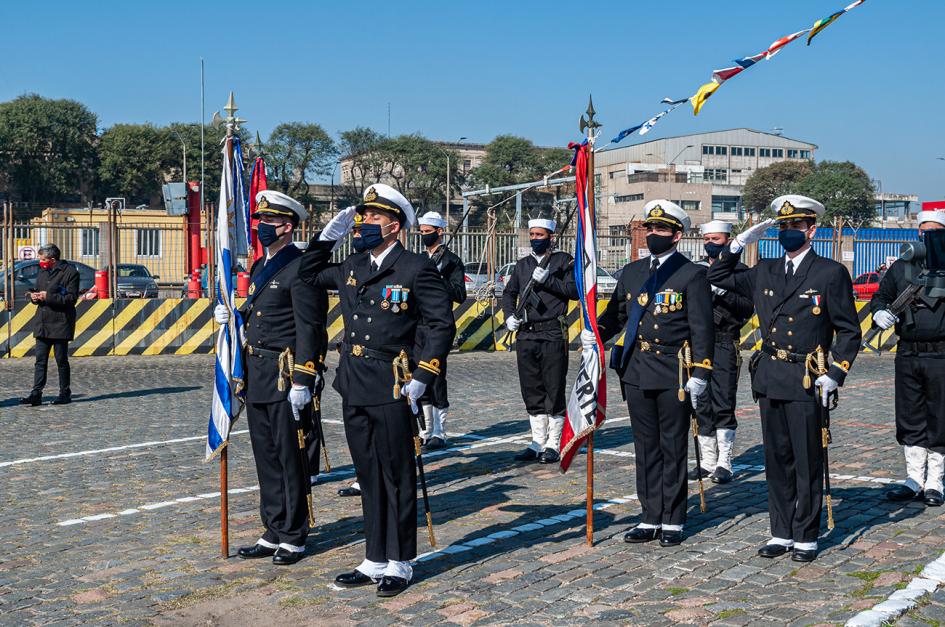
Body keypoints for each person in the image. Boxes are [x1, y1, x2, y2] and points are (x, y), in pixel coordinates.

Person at [298, 183, 455, 598]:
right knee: (368, 474)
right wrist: (324, 238)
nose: (364, 224)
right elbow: (308, 273)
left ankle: (400, 560)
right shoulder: (353, 264)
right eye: (362, 217)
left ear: (395, 225)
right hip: (354, 381)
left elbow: (441, 324)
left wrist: (424, 373)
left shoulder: (415, 268)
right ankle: (373, 557)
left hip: (393, 382)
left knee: (397, 474)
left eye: (373, 218)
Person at [708, 195, 861, 562]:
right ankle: (781, 531)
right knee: (777, 458)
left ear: (812, 230)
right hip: (772, 374)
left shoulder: (829, 272)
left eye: (795, 227)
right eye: (783, 227)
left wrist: (835, 373)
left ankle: (806, 534)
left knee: (807, 457)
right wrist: (740, 242)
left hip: (808, 376)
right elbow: (717, 275)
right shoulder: (766, 269)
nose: (788, 233)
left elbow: (849, 330)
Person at [214, 190, 328, 566]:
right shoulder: (263, 265)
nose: (262, 227)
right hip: (258, 373)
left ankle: (294, 535)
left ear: (288, 226)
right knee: (266, 456)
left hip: (285, 374)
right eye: (259, 220)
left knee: (290, 457)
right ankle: (273, 527)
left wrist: (303, 379)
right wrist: (233, 319)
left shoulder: (301, 265)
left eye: (270, 221)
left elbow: (311, 328)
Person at [592, 200, 714, 547]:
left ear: (677, 235)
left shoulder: (692, 275)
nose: (653, 235)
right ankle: (650, 516)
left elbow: (702, 328)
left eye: (661, 230)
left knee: (672, 446)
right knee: (645, 448)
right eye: (650, 229)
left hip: (674, 373)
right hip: (636, 370)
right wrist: (594, 332)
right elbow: (617, 315)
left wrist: (701, 373)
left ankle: (673, 519)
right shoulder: (631, 272)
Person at [871, 209, 945, 507]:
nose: (927, 237)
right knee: (910, 414)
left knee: (939, 417)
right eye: (923, 231)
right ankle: (914, 478)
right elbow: (881, 296)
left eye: (935, 232)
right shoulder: (902, 268)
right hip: (908, 352)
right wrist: (879, 312)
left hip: (941, 353)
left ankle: (936, 481)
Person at [502, 215, 576, 465]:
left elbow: (574, 291)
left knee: (553, 387)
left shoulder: (563, 261)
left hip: (553, 333)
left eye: (540, 235)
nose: (535, 239)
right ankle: (537, 441)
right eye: (532, 235)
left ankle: (554, 443)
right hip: (526, 334)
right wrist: (509, 315)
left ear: (551, 237)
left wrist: (549, 280)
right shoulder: (522, 265)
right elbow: (509, 293)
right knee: (531, 387)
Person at [691, 221, 754, 484]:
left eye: (715, 239)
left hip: (724, 342)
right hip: (696, 344)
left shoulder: (740, 271)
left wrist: (723, 292)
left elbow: (747, 308)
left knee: (723, 401)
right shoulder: (695, 271)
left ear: (727, 241)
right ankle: (706, 461)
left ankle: (724, 462)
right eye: (706, 238)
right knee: (700, 404)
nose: (710, 243)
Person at [416, 211, 467, 450]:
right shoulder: (417, 260)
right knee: (419, 377)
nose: (423, 236)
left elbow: (459, 294)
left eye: (428, 232)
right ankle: (425, 430)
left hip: (439, 325)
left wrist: (439, 279)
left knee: (436, 377)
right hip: (417, 326)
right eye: (421, 232)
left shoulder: (452, 261)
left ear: (439, 232)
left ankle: (440, 431)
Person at [20, 244, 79, 406]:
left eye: (43, 259)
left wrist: (48, 296)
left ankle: (64, 393)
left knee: (61, 360)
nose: (41, 262)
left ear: (53, 260)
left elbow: (71, 299)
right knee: (40, 360)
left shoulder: (70, 273)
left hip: (60, 322)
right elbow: (38, 292)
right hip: (43, 323)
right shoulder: (43, 272)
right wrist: (34, 297)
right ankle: (36, 393)